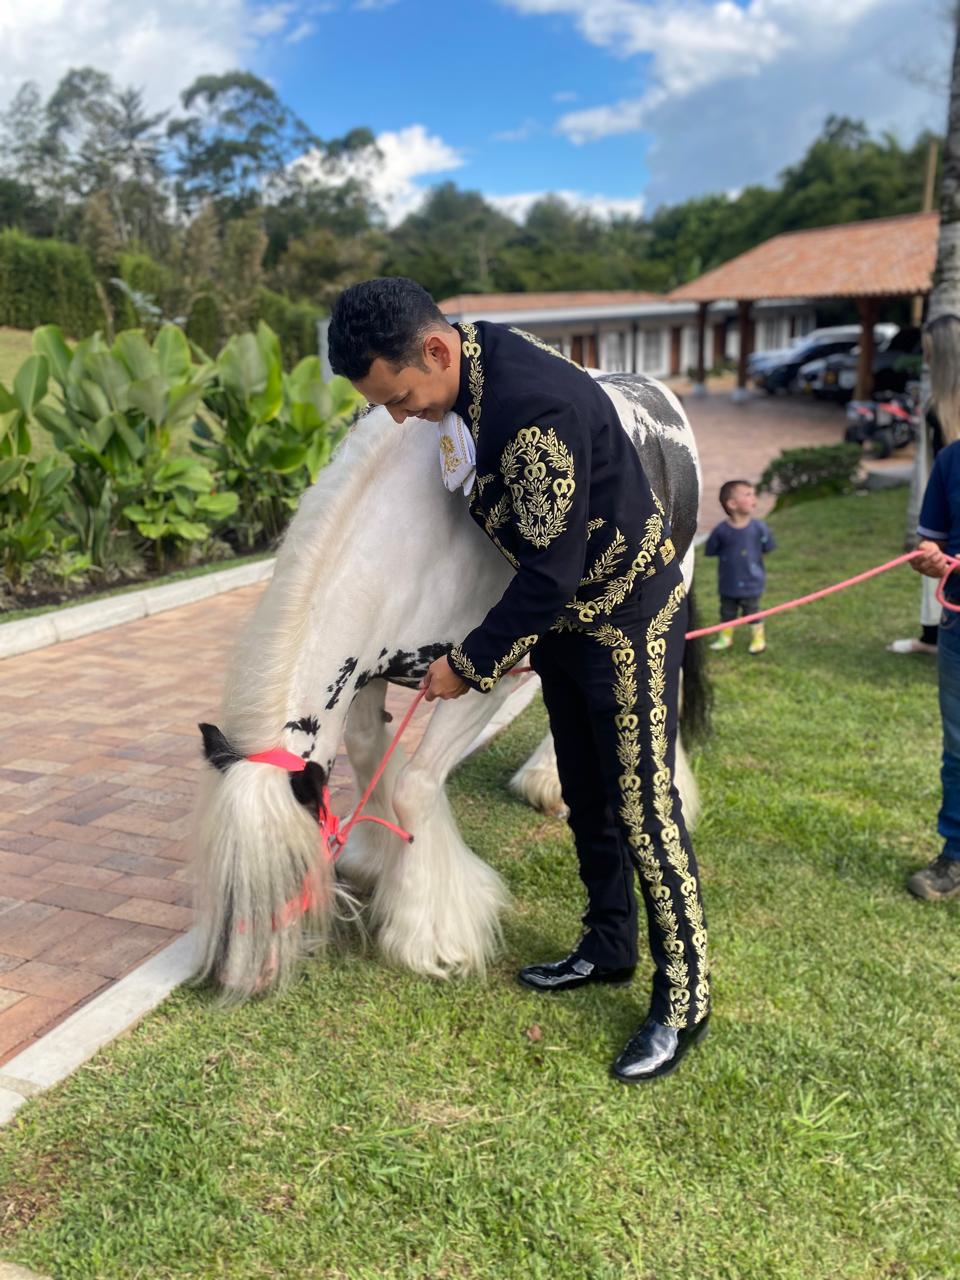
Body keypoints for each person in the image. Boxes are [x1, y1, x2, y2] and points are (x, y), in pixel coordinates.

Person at [327, 277, 710, 1083]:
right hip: (565, 625)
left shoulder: (533, 412)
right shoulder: (470, 366)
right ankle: (608, 947)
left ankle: (684, 998)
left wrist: (463, 665)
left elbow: (548, 574)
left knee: (645, 809)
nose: (399, 417)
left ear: (434, 351)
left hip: (626, 616)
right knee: (584, 791)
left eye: (400, 397)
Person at [906, 429, 960, 902]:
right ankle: (955, 855)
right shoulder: (952, 460)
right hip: (959, 625)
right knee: (959, 747)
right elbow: (931, 542)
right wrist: (929, 560)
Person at [889, 315, 960, 656]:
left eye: (930, 351)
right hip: (943, 506)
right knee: (932, 556)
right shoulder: (938, 407)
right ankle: (931, 637)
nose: (925, 359)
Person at [703, 480, 776, 654]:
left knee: (752, 610)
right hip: (728, 582)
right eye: (748, 495)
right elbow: (711, 550)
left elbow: (767, 548)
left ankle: (758, 639)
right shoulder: (721, 531)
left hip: (752, 582)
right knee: (727, 611)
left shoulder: (759, 528)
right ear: (732, 504)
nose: (754, 499)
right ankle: (725, 638)